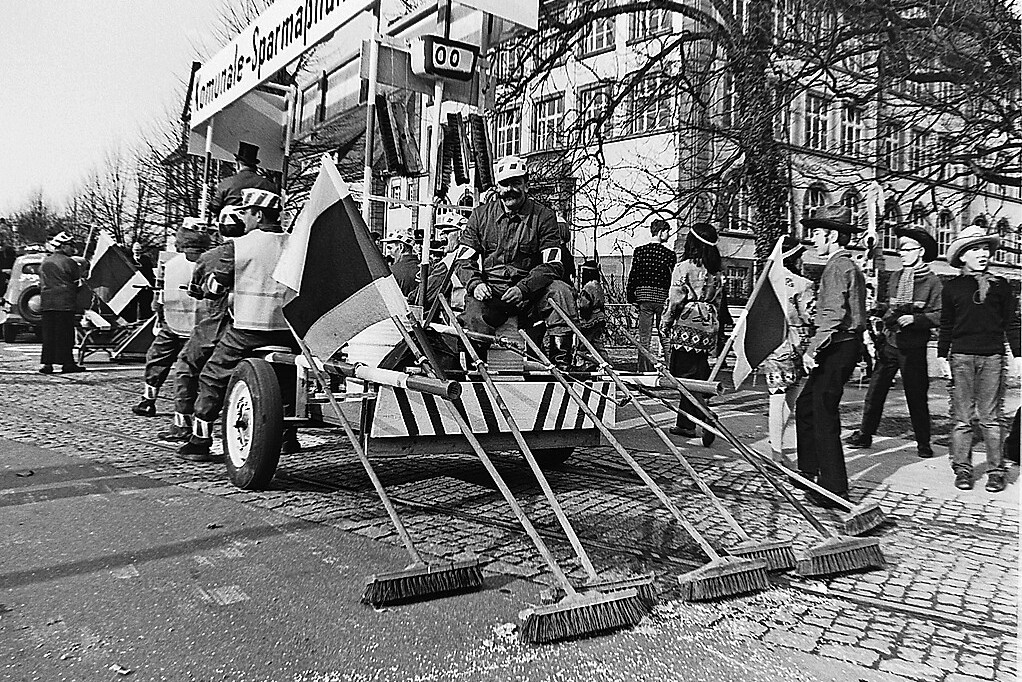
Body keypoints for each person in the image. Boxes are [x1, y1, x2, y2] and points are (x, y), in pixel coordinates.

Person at [178, 189, 295, 461]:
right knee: (288, 379)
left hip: (248, 329)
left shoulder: (239, 246)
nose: (243, 219)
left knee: (213, 375)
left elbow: (217, 286)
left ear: (257, 213)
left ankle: (200, 439)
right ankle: (288, 437)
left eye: (246, 213)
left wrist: (208, 287)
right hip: (289, 331)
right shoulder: (296, 243)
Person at [455, 155, 568, 364]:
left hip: (530, 294)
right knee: (473, 312)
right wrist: (475, 283)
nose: (510, 190)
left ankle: (560, 361)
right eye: (505, 184)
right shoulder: (480, 216)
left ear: (526, 185)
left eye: (516, 183)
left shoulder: (544, 217)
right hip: (491, 293)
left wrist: (524, 289)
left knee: (560, 292)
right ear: (498, 187)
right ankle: (475, 364)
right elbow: (463, 260)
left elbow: (553, 264)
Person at [846, 227, 942, 457]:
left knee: (916, 396)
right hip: (889, 344)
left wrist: (917, 319)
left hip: (913, 349)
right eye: (900, 250)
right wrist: (877, 308)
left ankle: (923, 443)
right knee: (875, 392)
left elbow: (942, 315)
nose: (902, 254)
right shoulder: (896, 277)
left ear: (920, 251)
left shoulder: (932, 282)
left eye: (906, 249)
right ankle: (865, 435)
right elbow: (890, 308)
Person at [938, 226, 1020, 493]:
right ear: (962, 256)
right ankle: (962, 468)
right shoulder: (952, 288)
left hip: (993, 358)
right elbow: (947, 324)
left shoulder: (1001, 286)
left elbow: (1012, 323)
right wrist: (941, 354)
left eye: (985, 249)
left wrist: (1018, 355)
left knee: (991, 417)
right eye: (975, 249)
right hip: (961, 357)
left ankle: (996, 471)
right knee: (962, 417)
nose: (983, 254)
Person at [795, 204, 867, 506]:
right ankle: (808, 472)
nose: (814, 241)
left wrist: (812, 350)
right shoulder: (845, 266)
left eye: (818, 235)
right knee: (807, 405)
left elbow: (833, 316)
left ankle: (834, 488)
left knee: (823, 411)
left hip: (838, 343)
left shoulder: (838, 267)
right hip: (842, 343)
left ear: (833, 236)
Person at [157, 215, 237, 443]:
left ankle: (183, 424)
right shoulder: (272, 249)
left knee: (188, 367)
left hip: (218, 326)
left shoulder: (210, 257)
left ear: (220, 231)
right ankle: (285, 436)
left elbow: (197, 290)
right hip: (266, 326)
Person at [132, 222, 212, 417]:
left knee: (156, 360)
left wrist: (158, 317)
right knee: (195, 369)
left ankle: (148, 401)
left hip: (171, 322)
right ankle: (199, 408)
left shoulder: (168, 265)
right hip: (203, 327)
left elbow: (158, 297)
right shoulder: (213, 262)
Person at [661, 221, 722, 440]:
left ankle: (705, 416)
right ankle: (686, 423)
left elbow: (675, 300)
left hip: (687, 325)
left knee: (683, 376)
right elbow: (719, 302)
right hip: (707, 326)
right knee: (698, 374)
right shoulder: (715, 272)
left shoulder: (684, 267)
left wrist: (666, 323)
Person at [759, 236, 815, 465]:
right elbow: (809, 315)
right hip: (796, 343)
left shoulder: (766, 282)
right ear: (795, 258)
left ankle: (776, 449)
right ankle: (777, 448)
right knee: (789, 399)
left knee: (776, 397)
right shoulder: (803, 284)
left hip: (772, 342)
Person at [626, 218, 676, 371]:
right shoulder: (669, 254)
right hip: (662, 298)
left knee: (644, 337)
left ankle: (643, 368)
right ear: (661, 233)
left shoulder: (639, 251)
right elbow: (672, 278)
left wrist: (631, 296)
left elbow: (633, 274)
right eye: (667, 231)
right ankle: (671, 368)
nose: (668, 234)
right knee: (665, 335)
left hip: (643, 297)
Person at [38, 232, 85, 374]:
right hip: (64, 303)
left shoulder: (45, 261)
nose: (73, 249)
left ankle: (47, 364)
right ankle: (67, 363)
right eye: (71, 246)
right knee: (65, 334)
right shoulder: (69, 262)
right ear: (63, 246)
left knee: (48, 335)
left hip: (47, 303)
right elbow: (78, 283)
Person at [211, 142, 278, 217]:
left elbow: (215, 207)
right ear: (254, 165)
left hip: (231, 225)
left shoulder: (226, 183)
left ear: (238, 164)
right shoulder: (267, 184)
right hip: (256, 225)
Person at [575, 259, 608, 368]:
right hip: (600, 317)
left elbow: (584, 305)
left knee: (584, 344)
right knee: (597, 343)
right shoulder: (598, 286)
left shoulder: (588, 287)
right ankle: (606, 363)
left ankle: (585, 364)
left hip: (590, 319)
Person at [383, 230, 419, 297]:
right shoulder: (429, 270)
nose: (388, 253)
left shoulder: (391, 272)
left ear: (401, 247)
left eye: (390, 248)